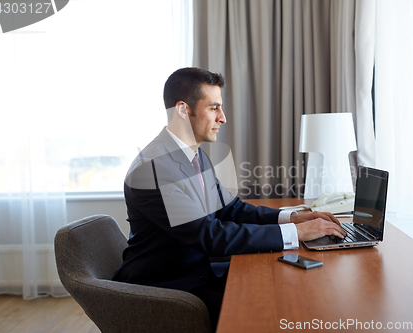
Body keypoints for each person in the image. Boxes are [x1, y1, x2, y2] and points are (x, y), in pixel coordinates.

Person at [112, 67, 346, 330]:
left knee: (290, 289)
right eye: (214, 108)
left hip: (199, 273)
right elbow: (209, 235)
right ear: (182, 110)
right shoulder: (152, 168)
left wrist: (292, 217)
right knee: (277, 310)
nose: (223, 118)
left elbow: (229, 209)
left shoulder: (193, 153)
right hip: (168, 288)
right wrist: (297, 232)